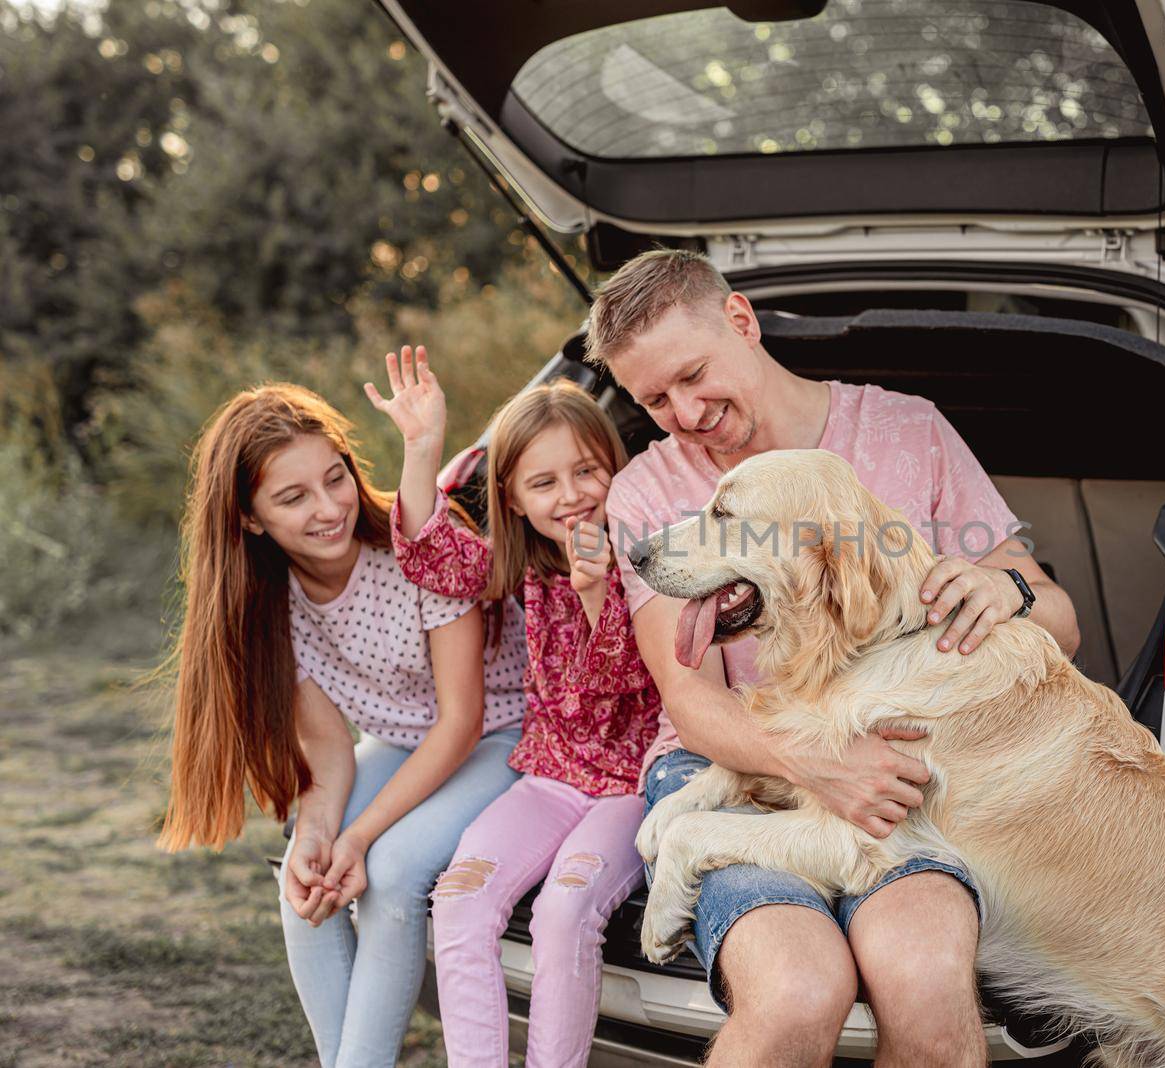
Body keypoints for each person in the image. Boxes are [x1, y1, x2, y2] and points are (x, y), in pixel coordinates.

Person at [589, 250, 1083, 1067]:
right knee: (795, 993)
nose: (683, 412)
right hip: (734, 763)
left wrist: (1013, 596)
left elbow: (1059, 627)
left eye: (692, 375)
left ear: (741, 323)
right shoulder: (647, 492)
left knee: (924, 982)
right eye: (654, 400)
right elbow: (693, 701)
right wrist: (819, 762)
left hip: (899, 769)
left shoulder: (907, 434)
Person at [158, 383, 527, 1068]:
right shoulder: (268, 600)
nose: (329, 508)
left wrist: (360, 836)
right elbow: (327, 749)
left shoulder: (416, 548)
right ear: (250, 519)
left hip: (504, 734)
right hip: (402, 742)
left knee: (390, 869)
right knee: (307, 866)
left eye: (335, 479)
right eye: (294, 498)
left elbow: (462, 720)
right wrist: (324, 833)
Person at [366, 347, 660, 1068]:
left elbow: (619, 686)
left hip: (633, 788)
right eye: (544, 482)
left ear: (617, 468)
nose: (572, 496)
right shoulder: (522, 560)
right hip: (550, 779)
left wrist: (598, 594)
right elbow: (429, 557)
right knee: (461, 902)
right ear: (514, 497)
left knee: (564, 913)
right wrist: (421, 445)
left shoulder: (652, 559)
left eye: (588, 471)